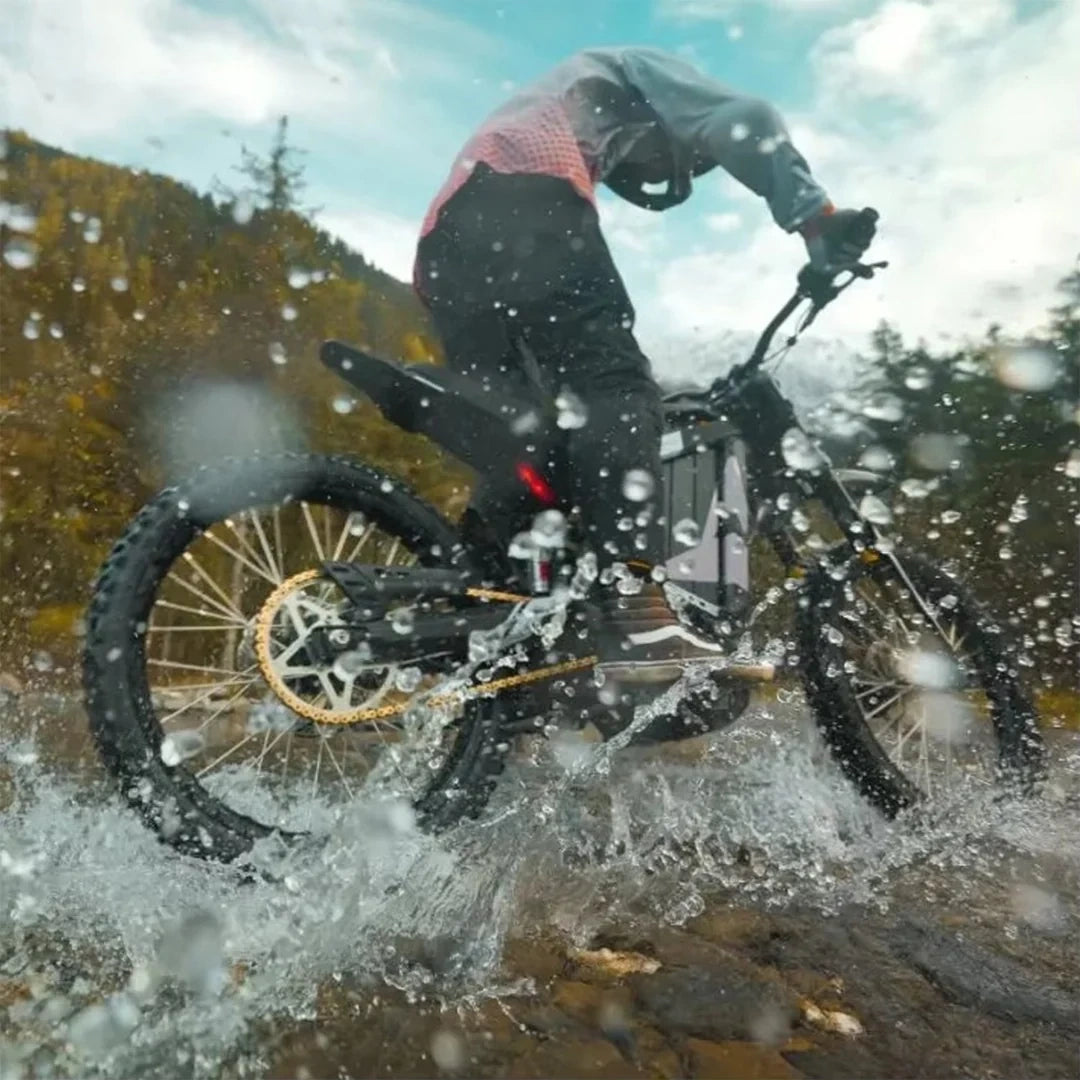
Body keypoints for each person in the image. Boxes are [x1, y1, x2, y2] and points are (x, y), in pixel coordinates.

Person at [413, 46, 876, 684]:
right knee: (617, 384)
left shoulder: (571, 112)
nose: (659, 173)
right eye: (681, 164)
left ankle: (477, 636)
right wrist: (817, 222)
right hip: (523, 191)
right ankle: (632, 603)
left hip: (444, 248)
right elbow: (748, 118)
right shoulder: (635, 69)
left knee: (526, 441)